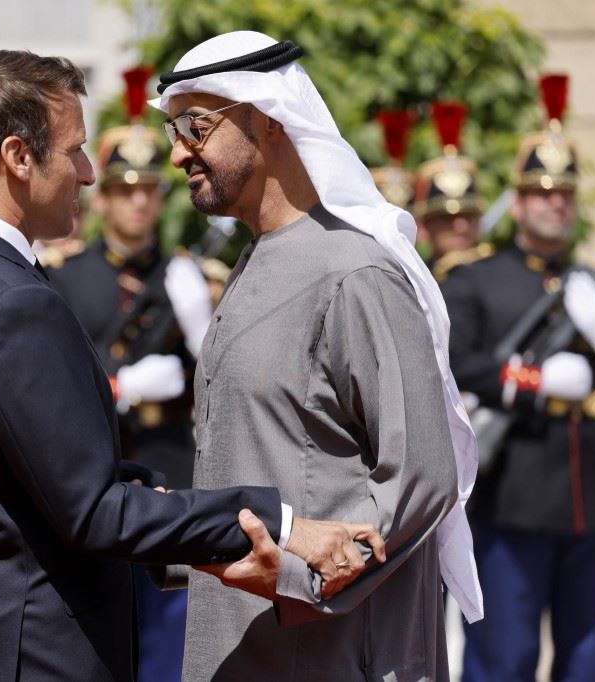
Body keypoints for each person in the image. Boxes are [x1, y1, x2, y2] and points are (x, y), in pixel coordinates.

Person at [0, 49, 384, 681]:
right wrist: (280, 522)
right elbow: (93, 513)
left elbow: (18, 475)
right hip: (42, 652)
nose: (88, 175)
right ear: (18, 157)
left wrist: (141, 489)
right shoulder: (14, 303)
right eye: (74, 152)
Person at [150, 30, 483, 680]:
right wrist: (168, 528)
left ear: (269, 119)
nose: (178, 153)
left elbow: (423, 475)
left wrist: (300, 572)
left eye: (196, 127)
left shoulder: (354, 273)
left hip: (333, 654)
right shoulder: (253, 262)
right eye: (174, 130)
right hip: (246, 646)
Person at [443, 73, 595, 681]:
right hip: (512, 495)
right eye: (540, 192)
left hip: (594, 499)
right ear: (515, 203)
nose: (554, 203)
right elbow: (458, 361)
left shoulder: (593, 285)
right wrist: (536, 381)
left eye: (563, 193)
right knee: (504, 659)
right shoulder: (474, 279)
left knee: (584, 659)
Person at [47, 120, 210, 681]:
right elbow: (55, 372)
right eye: (124, 190)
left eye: (149, 191)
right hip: (100, 468)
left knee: (171, 635)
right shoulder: (65, 278)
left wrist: (203, 329)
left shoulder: (187, 275)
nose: (139, 202)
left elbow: (223, 383)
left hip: (170, 463)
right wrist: (120, 384)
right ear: (103, 198)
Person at [413, 101, 491, 282]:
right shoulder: (412, 283)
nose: (460, 226)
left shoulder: (500, 276)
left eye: (468, 215)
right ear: (424, 226)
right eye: (446, 218)